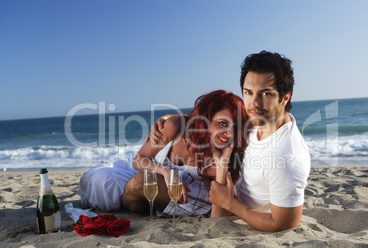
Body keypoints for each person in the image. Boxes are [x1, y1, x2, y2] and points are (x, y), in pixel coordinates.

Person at [152, 51, 311, 232]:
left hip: (232, 207)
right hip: (220, 182)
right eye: (248, 92)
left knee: (139, 186)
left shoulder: (287, 158)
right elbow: (206, 116)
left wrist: (229, 203)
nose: (254, 103)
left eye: (265, 94)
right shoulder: (260, 119)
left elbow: (283, 224)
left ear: (284, 98)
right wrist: (167, 120)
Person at [79, 90, 250, 218]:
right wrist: (166, 171)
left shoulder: (228, 155)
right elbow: (139, 159)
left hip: (181, 189)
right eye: (222, 123)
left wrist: (221, 168)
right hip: (152, 170)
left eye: (235, 127)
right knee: (100, 179)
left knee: (137, 185)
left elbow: (221, 210)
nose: (229, 133)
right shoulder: (174, 126)